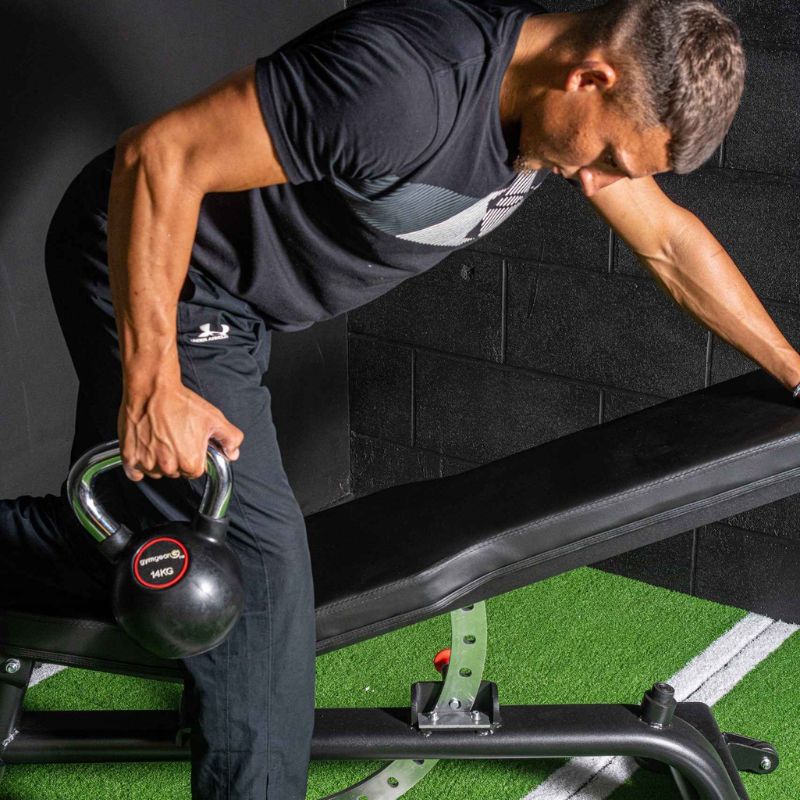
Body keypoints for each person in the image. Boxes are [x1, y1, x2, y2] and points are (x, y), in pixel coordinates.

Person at [3, 0, 799, 797]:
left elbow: (668, 242)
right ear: (591, 76)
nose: (599, 184)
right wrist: (151, 383)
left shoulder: (562, 108)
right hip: (167, 271)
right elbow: (159, 158)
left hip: (239, 302)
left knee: (125, 535)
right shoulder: (407, 85)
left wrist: (792, 368)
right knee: (258, 582)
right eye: (611, 157)